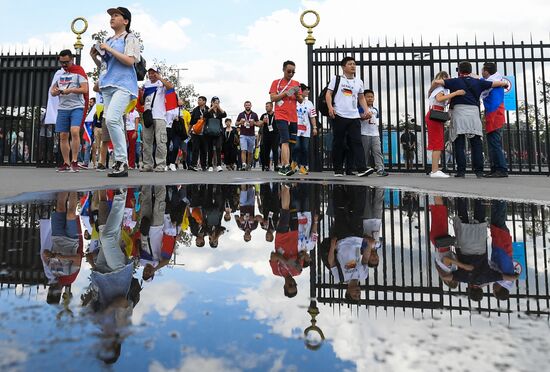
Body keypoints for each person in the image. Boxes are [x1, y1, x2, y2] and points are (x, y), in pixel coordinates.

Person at [431, 61, 508, 178]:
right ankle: (479, 171)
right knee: (476, 143)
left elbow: (437, 81)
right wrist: (504, 84)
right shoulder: (478, 82)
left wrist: (431, 89)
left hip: (459, 112)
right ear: (470, 70)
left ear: (460, 71)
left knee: (459, 142)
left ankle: (461, 171)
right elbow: (494, 84)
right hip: (473, 113)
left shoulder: (454, 81)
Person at [90, 7, 141, 177]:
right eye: (111, 15)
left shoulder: (130, 38)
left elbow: (129, 61)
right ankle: (121, 162)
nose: (112, 18)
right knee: (115, 122)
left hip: (124, 85)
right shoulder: (109, 40)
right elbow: (106, 67)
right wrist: (95, 57)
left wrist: (109, 50)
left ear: (125, 21)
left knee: (111, 119)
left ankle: (121, 161)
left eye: (116, 15)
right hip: (108, 85)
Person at [326, 56, 374, 177]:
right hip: (339, 115)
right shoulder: (336, 79)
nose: (353, 66)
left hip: (354, 116)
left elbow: (361, 97)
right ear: (343, 67)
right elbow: (329, 94)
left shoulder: (359, 81)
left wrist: (366, 110)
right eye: (350, 64)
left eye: (354, 64)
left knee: (357, 142)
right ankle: (337, 169)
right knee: (339, 143)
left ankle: (362, 168)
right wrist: (330, 107)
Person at [51, 49, 89, 173]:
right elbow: (52, 91)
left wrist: (70, 90)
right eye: (62, 62)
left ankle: (74, 161)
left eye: (66, 62)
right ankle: (66, 162)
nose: (64, 64)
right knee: (63, 135)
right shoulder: (59, 74)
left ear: (72, 60)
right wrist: (55, 92)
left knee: (74, 130)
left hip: (77, 106)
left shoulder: (79, 71)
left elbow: (84, 89)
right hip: (63, 107)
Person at [425, 72, 466, 178]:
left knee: (437, 143)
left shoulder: (438, 89)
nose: (449, 79)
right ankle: (435, 170)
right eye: (447, 77)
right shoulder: (440, 89)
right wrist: (456, 93)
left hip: (435, 114)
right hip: (436, 115)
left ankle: (435, 169)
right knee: (437, 143)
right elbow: (439, 99)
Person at [269, 60, 303, 176]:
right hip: (281, 115)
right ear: (283, 70)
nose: (291, 73)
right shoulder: (276, 83)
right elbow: (273, 98)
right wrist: (286, 93)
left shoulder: (296, 83)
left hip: (293, 116)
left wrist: (297, 94)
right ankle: (286, 166)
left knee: (292, 143)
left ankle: (285, 165)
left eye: (293, 72)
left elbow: (301, 100)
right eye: (289, 71)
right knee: (285, 140)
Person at [140, 66, 174, 172]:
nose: (151, 75)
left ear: (157, 73)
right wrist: (141, 94)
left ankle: (160, 165)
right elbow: (142, 101)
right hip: (147, 115)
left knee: (161, 141)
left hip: (159, 116)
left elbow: (171, 87)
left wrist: (160, 78)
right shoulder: (146, 84)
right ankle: (147, 165)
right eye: (149, 73)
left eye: (153, 73)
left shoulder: (161, 84)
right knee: (146, 141)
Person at [481, 62, 509, 178]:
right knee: (492, 144)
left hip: (495, 115)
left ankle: (501, 169)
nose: (481, 72)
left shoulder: (492, 82)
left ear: (487, 71)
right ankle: (495, 168)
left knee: (495, 144)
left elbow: (480, 81)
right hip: (494, 114)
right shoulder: (495, 81)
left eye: (482, 70)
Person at [360, 89, 388, 177]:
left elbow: (376, 121)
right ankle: (364, 168)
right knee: (364, 152)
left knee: (377, 151)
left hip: (375, 134)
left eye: (372, 97)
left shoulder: (375, 110)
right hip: (364, 133)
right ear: (363, 98)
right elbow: (359, 118)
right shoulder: (361, 108)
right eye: (368, 97)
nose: (370, 99)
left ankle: (380, 169)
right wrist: (364, 116)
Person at [293, 84, 317, 175]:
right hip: (296, 128)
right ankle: (294, 162)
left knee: (305, 149)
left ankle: (303, 166)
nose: (308, 92)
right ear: (300, 91)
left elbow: (312, 116)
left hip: (306, 129)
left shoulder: (309, 103)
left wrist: (314, 127)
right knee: (296, 147)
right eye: (306, 90)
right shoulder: (294, 101)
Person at [204, 96, 227, 172]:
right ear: (211, 102)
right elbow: (205, 114)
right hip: (210, 132)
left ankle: (219, 165)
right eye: (214, 102)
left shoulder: (219, 111)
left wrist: (219, 107)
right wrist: (212, 107)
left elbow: (225, 115)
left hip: (218, 132)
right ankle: (210, 165)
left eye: (217, 102)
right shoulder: (209, 110)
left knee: (218, 148)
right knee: (210, 149)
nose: (216, 104)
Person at [236, 101, 260, 171]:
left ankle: (249, 164)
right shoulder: (241, 114)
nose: (247, 106)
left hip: (251, 135)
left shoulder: (254, 114)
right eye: (246, 105)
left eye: (248, 105)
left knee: (250, 152)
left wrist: (254, 123)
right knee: (243, 150)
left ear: (251, 106)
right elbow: (236, 123)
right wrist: (240, 122)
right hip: (243, 134)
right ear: (244, 106)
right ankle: (244, 164)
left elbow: (258, 124)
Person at [189, 96, 209, 171]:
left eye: (200, 100)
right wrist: (188, 131)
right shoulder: (195, 110)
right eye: (198, 100)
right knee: (195, 149)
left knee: (204, 150)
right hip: (195, 132)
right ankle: (193, 165)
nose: (198, 101)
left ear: (204, 101)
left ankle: (203, 165)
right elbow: (191, 122)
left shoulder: (208, 109)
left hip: (205, 133)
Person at [259, 102, 279, 171]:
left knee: (275, 150)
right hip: (266, 135)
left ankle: (276, 165)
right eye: (265, 106)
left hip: (275, 134)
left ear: (271, 107)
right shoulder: (264, 115)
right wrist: (263, 122)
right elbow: (259, 124)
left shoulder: (276, 114)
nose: (266, 107)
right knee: (266, 151)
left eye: (267, 106)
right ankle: (266, 166)